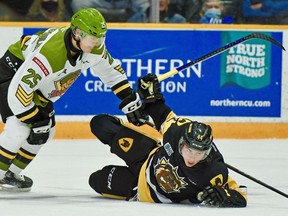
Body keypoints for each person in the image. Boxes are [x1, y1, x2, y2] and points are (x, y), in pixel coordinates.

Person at [0, 8, 146, 192]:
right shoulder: (49, 54)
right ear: (77, 33)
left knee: (47, 131)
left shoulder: (93, 45)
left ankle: (11, 174)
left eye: (100, 37)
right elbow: (18, 92)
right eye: (93, 37)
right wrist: (35, 120)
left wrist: (129, 99)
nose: (97, 42)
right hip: (13, 72)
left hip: (41, 85)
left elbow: (109, 70)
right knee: (19, 129)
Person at [88, 74, 247, 207]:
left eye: (199, 154)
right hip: (146, 153)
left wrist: (225, 196)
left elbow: (240, 194)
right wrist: (150, 96)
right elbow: (162, 114)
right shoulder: (177, 131)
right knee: (101, 124)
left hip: (145, 189)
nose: (192, 158)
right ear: (181, 143)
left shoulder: (213, 171)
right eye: (189, 150)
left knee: (95, 180)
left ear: (206, 153)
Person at [70, 0, 149, 22]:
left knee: (146, 5)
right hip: (101, 4)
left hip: (126, 5)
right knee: (79, 3)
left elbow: (144, 6)